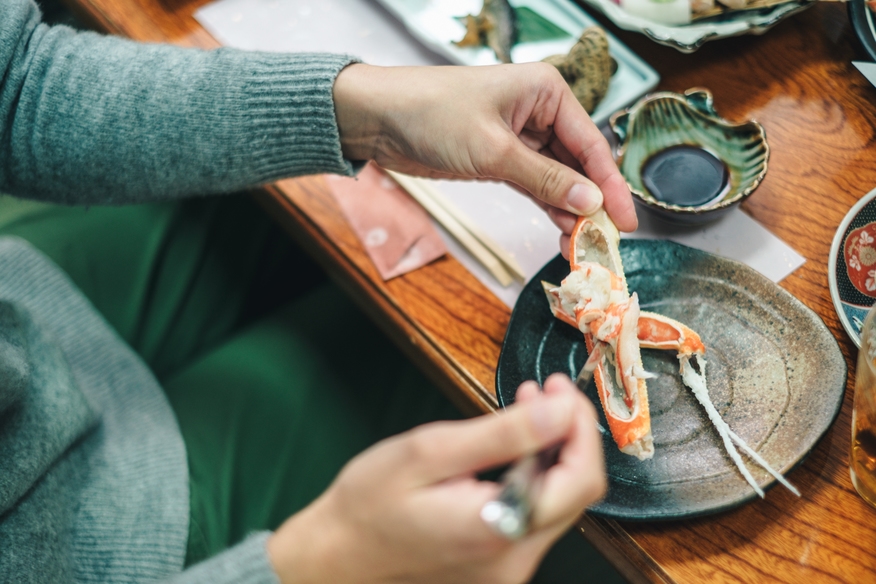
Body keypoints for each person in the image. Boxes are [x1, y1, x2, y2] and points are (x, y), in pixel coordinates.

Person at [0, 0, 636, 581]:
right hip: (84, 542)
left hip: (23, 308)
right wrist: (323, 557)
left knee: (280, 237)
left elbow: (16, 79)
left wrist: (368, 110)